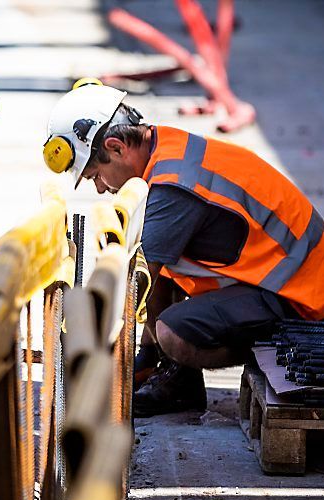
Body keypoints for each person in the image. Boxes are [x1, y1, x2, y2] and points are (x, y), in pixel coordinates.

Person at [43, 80, 324, 418]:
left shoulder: (172, 187)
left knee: (173, 333)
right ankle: (176, 378)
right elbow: (154, 271)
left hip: (305, 300)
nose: (102, 189)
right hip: (286, 279)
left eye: (96, 175)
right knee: (156, 278)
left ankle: (212, 370)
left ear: (117, 148)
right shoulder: (165, 145)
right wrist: (146, 352)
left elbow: (128, 289)